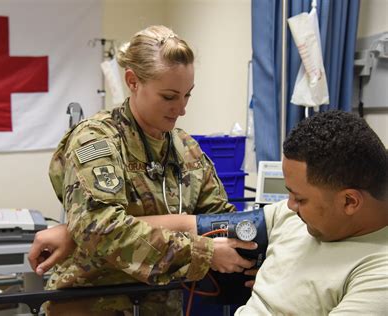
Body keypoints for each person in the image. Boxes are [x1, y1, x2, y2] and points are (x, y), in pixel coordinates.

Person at [28, 25, 257, 316]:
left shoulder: (185, 148)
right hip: (92, 304)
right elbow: (102, 228)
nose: (181, 108)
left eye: (187, 95)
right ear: (133, 81)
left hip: (160, 306)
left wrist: (256, 247)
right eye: (169, 96)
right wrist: (203, 251)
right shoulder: (96, 140)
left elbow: (219, 217)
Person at [235, 110, 388, 315]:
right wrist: (204, 248)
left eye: (300, 199)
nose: (289, 205)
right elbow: (197, 225)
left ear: (349, 201)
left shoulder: (378, 273)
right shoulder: (296, 216)